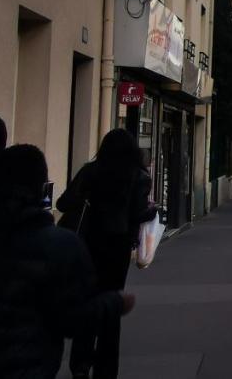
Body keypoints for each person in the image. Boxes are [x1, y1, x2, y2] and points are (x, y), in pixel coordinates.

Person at [0, 145, 133, 378]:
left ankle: (81, 366)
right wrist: (114, 303)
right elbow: (74, 318)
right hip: (24, 366)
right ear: (41, 187)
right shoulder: (57, 246)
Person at [57, 129, 154, 379]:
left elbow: (63, 203)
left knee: (87, 299)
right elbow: (137, 213)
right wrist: (152, 212)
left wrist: (87, 198)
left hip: (86, 243)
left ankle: (80, 364)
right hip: (117, 247)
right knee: (112, 306)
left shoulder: (90, 171)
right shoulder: (138, 177)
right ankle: (106, 369)